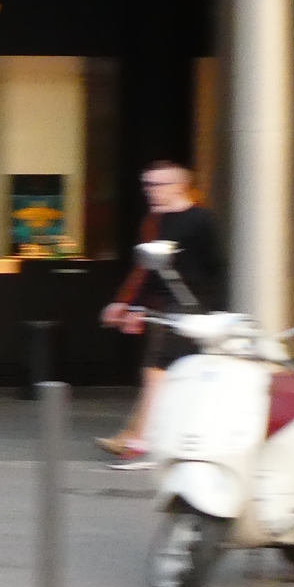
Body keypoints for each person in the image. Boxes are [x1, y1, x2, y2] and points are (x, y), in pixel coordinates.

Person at [97, 162, 224, 466]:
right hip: (165, 304)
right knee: (163, 372)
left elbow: (216, 267)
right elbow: (146, 270)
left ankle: (141, 438)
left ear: (179, 186)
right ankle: (138, 435)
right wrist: (131, 305)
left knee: (158, 371)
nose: (150, 191)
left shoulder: (201, 220)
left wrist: (203, 306)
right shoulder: (154, 221)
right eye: (147, 185)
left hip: (188, 306)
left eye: (158, 185)